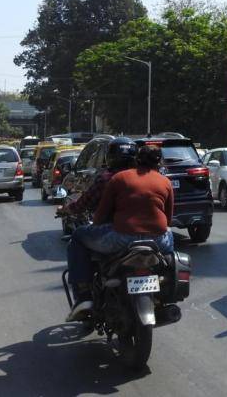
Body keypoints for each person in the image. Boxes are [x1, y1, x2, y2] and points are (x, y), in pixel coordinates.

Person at [66, 143, 175, 321]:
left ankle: (84, 294)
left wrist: (98, 225)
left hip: (123, 238)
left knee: (78, 236)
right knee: (169, 240)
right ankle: (167, 282)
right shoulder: (165, 181)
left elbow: (100, 215)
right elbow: (168, 219)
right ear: (159, 163)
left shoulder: (118, 178)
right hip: (158, 241)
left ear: (137, 160)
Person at [57, 136, 134, 237]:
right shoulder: (149, 177)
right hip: (153, 235)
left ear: (109, 157)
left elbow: (83, 203)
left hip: (116, 232)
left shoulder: (107, 179)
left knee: (77, 237)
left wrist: (66, 209)